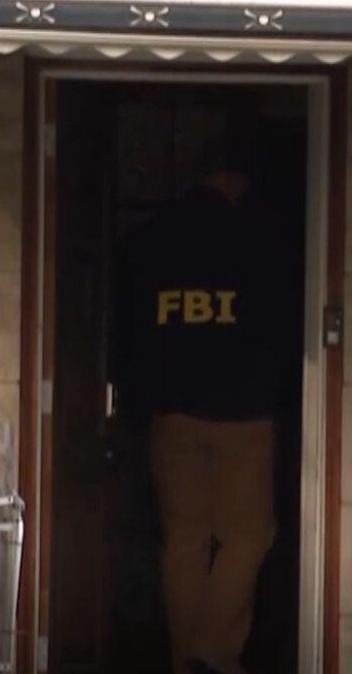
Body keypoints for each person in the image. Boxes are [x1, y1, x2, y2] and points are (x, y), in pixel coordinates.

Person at [116, 151, 293, 674]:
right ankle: (211, 652)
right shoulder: (261, 237)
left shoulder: (152, 238)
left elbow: (129, 331)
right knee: (249, 535)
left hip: (171, 412)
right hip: (245, 412)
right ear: (232, 180)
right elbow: (285, 325)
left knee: (184, 540)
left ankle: (185, 661)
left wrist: (139, 398)